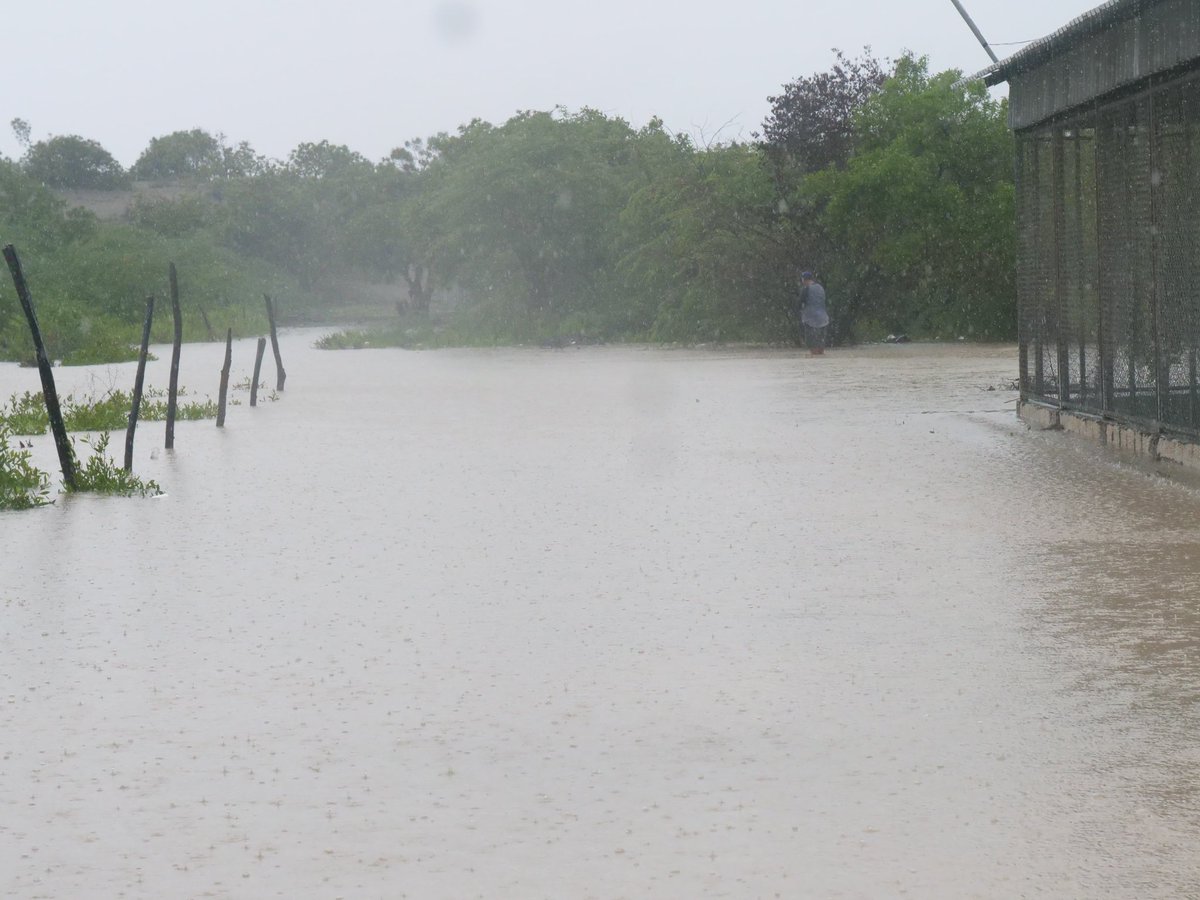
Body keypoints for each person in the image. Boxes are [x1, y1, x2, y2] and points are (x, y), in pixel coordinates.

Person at [798, 271, 829, 356]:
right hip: (823, 319)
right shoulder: (820, 288)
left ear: (803, 279)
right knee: (821, 345)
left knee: (812, 344)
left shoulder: (805, 289)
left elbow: (799, 304)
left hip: (810, 320)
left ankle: (814, 360)